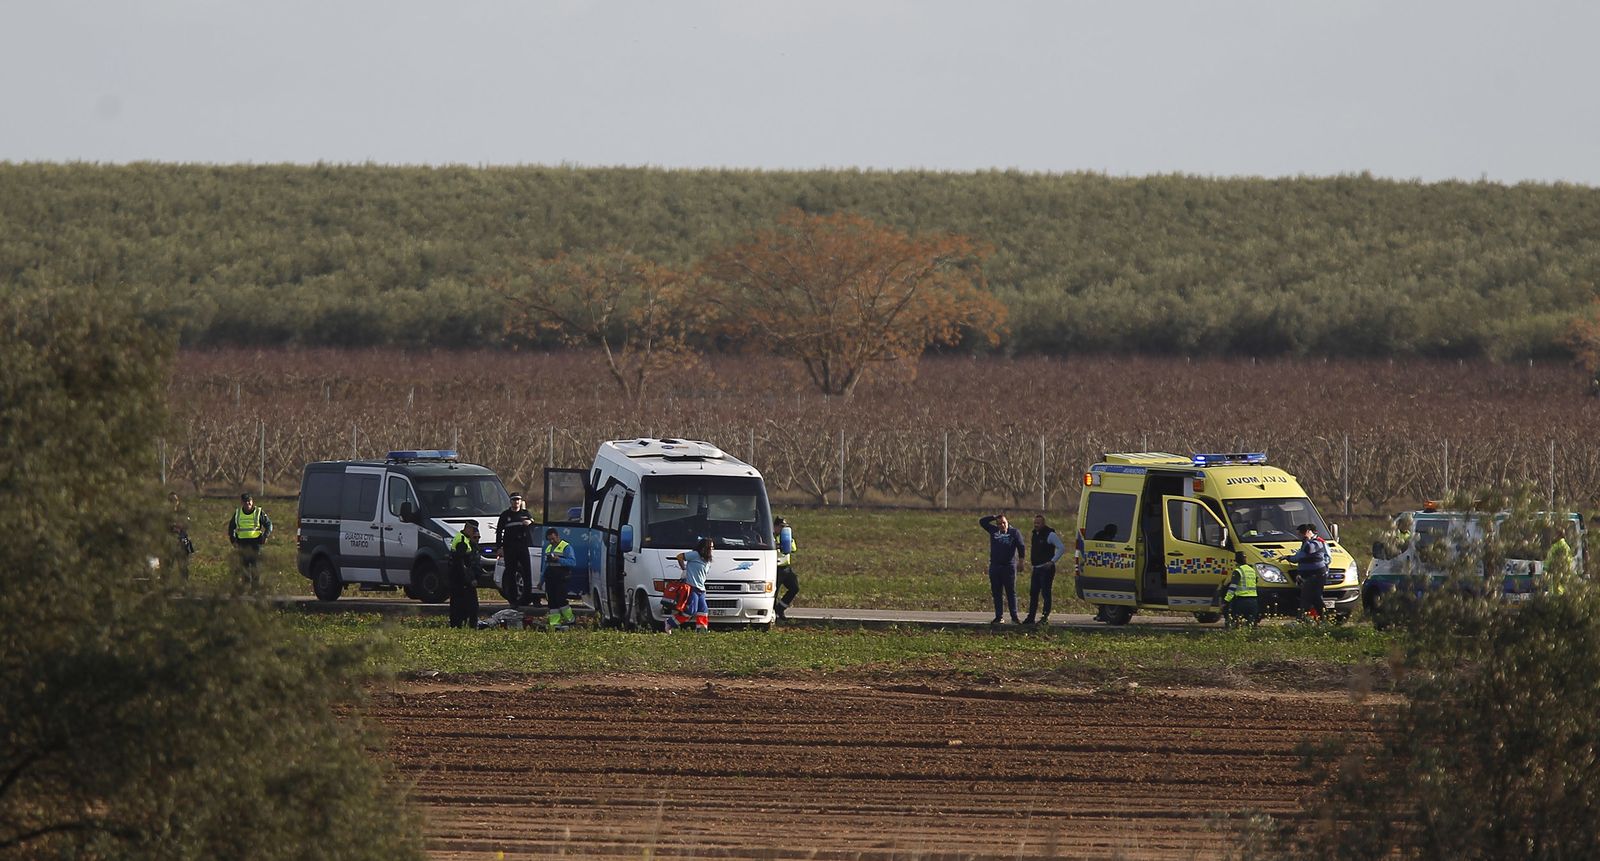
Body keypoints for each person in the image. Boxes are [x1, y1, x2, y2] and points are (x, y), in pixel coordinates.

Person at [979, 514, 1025, 624]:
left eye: (1004, 523)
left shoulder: (1014, 533)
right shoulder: (994, 531)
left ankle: (1014, 616)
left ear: (1007, 522)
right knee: (997, 592)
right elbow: (982, 522)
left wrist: (1021, 561)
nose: (1002, 525)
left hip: (1008, 567)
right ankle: (999, 616)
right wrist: (994, 517)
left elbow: (1021, 546)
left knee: (1011, 592)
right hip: (995, 566)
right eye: (999, 524)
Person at [1023, 514, 1066, 625]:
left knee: (1046, 593)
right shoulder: (1035, 534)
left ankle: (1045, 617)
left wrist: (1052, 561)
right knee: (1033, 593)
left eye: (1038, 523)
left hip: (1046, 569)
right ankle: (1031, 617)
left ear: (1043, 523)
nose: (1036, 525)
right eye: (1035, 523)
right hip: (1036, 568)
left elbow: (1061, 547)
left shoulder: (1050, 534)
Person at [496, 493, 536, 606]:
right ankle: (513, 600)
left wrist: (530, 522)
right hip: (510, 548)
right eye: (514, 500)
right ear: (510, 502)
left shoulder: (525, 514)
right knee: (511, 573)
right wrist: (499, 547)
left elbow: (533, 523)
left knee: (527, 573)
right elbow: (499, 532)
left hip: (523, 547)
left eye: (518, 500)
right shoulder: (505, 515)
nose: (516, 502)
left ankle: (529, 598)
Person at [226, 492, 272, 589]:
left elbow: (269, 525)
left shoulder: (258, 512)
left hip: (255, 542)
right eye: (245, 501)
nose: (248, 503)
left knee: (255, 565)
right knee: (244, 565)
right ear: (242, 502)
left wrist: (265, 536)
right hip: (242, 543)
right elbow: (231, 527)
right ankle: (246, 586)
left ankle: (255, 587)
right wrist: (233, 539)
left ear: (252, 501)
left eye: (249, 501)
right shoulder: (238, 513)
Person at [1286, 523, 1330, 621]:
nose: (1298, 536)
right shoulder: (1305, 543)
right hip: (1307, 575)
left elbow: (1309, 550)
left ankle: (1301, 619)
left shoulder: (1317, 542)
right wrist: (1288, 558)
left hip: (1316, 575)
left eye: (1300, 534)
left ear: (1306, 532)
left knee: (1307, 597)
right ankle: (1324, 618)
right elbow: (1300, 556)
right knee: (1315, 598)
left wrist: (1307, 539)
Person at [672, 538, 714, 632]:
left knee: (703, 611)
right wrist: (684, 569)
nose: (712, 549)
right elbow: (679, 556)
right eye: (710, 547)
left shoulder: (707, 560)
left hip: (701, 589)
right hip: (691, 587)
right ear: (705, 547)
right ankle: (670, 622)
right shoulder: (695, 554)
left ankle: (701, 631)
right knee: (691, 611)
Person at [540, 528, 577, 631]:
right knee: (552, 602)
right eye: (549, 540)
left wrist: (559, 559)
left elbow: (572, 562)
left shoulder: (566, 547)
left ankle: (570, 619)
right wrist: (541, 581)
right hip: (550, 578)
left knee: (561, 600)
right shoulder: (548, 548)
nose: (552, 541)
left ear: (557, 536)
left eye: (553, 539)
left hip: (561, 577)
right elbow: (545, 566)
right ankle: (555, 623)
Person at [448, 521, 481, 629]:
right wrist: (469, 579)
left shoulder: (463, 538)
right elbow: (461, 564)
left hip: (460, 578)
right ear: (468, 528)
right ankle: (462, 626)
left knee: (460, 604)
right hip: (460, 579)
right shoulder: (462, 541)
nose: (474, 533)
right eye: (473, 530)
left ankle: (460, 625)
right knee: (466, 605)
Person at [1221, 551, 1260, 628]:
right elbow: (1255, 581)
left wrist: (1226, 601)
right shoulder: (1252, 570)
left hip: (1241, 601)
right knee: (1251, 625)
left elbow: (1232, 588)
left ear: (1236, 561)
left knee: (1236, 624)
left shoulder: (1238, 571)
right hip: (1253, 601)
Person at [773, 517, 799, 620]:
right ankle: (772, 613)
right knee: (774, 592)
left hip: (786, 568)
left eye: (784, 527)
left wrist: (787, 542)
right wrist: (776, 545)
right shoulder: (770, 536)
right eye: (781, 526)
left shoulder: (786, 536)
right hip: (776, 568)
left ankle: (780, 608)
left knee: (794, 588)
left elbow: (793, 548)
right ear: (775, 526)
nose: (783, 529)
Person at [166, 491, 195, 580]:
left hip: (181, 543)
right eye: (171, 500)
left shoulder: (182, 513)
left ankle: (184, 584)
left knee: (183, 567)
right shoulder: (165, 514)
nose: (173, 503)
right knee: (167, 568)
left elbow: (187, 524)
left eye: (175, 500)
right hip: (169, 544)